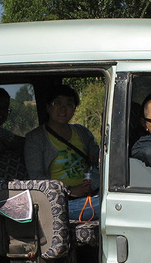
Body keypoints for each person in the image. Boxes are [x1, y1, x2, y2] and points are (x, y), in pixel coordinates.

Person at [24, 85, 100, 221]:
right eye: (57, 103)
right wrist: (69, 190)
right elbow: (36, 179)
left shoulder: (82, 132)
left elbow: (99, 157)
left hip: (92, 193)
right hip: (60, 203)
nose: (63, 109)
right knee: (113, 205)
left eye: (69, 104)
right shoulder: (36, 138)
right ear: (48, 107)